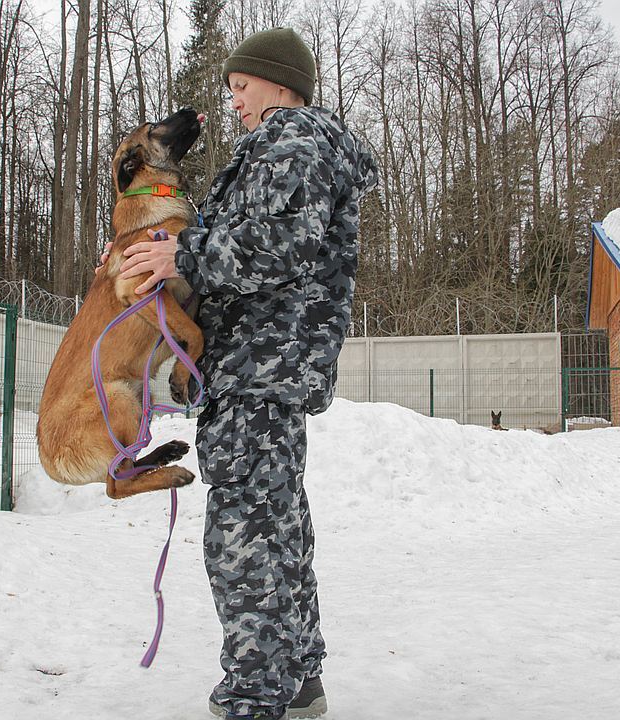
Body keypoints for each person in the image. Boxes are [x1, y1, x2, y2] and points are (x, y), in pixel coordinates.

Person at [104, 27, 378, 720]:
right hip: (266, 362)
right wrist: (184, 247)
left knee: (245, 535)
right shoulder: (296, 146)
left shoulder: (290, 140)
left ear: (280, 84)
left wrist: (183, 258)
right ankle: (299, 677)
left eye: (241, 87)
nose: (233, 103)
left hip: (261, 365)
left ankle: (255, 697)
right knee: (277, 524)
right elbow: (262, 239)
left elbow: (282, 244)